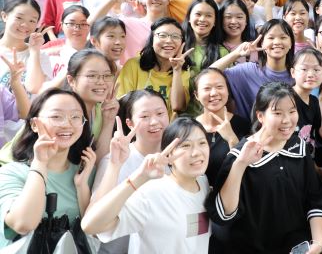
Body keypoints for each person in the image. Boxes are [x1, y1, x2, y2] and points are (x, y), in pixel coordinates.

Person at [206, 82, 322, 254]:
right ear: (260, 116)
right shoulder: (240, 155)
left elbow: (315, 197)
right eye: (277, 113)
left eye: (292, 111)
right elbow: (224, 214)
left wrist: (318, 243)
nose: (287, 120)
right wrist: (240, 165)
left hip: (297, 247)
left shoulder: (298, 147)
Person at [82, 117, 212, 254]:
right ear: (169, 153)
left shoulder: (203, 183)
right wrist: (139, 177)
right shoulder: (152, 193)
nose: (196, 152)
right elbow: (90, 226)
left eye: (202, 143)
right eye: (186, 145)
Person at [0, 89, 95, 248]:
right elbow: (22, 223)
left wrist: (82, 186)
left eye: (75, 117)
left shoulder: (86, 172)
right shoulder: (11, 173)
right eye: (56, 116)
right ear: (34, 124)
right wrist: (40, 163)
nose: (67, 124)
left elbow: (95, 230)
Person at [91, 89, 170, 254]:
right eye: (144, 116)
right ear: (130, 123)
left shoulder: (177, 159)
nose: (154, 121)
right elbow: (94, 217)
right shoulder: (116, 160)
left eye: (160, 113)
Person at [211, 19, 295, 120]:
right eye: (271, 38)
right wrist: (236, 53)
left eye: (283, 37)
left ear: (291, 43)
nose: (277, 42)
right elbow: (208, 75)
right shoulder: (246, 71)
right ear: (262, 43)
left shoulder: (298, 74)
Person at [117, 17, 192, 117]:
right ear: (152, 40)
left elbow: (178, 107)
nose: (169, 40)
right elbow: (123, 103)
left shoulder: (183, 70)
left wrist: (177, 70)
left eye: (175, 36)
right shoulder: (133, 65)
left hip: (168, 126)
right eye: (162, 35)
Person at [192, 68, 250, 185]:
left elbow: (250, 171)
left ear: (228, 91)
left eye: (219, 87)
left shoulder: (244, 126)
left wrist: (232, 139)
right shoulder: (189, 127)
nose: (214, 93)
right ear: (196, 95)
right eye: (207, 88)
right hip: (196, 194)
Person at [0, 0, 52, 94]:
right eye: (19, 18)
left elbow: (35, 89)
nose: (25, 25)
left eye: (32, 21)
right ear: (4, 16)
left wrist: (34, 51)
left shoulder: (41, 55)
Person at [290, 48, 322, 153]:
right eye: (304, 69)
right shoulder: (284, 98)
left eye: (316, 70)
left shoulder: (314, 101)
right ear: (293, 72)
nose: (310, 74)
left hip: (306, 159)